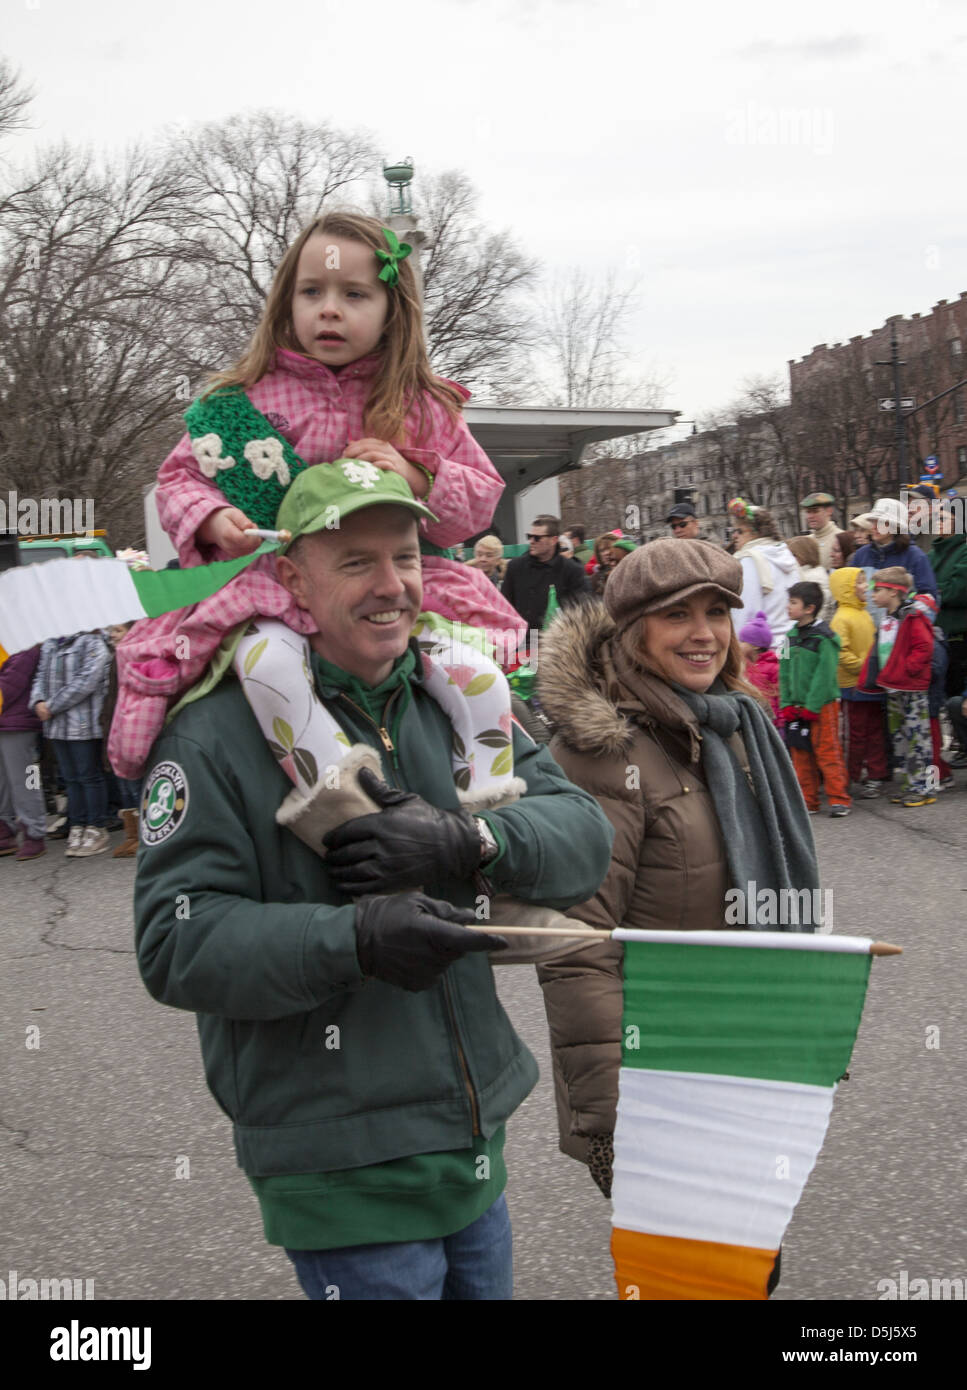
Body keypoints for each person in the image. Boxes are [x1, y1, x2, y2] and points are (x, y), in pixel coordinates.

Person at [133, 463, 614, 1301]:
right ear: (290, 578)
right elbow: (176, 940)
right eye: (356, 561)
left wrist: (470, 840)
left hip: (469, 1139)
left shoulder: (455, 701)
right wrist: (351, 940)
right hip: (336, 1159)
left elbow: (582, 839)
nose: (393, 585)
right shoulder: (211, 733)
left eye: (406, 556)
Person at [109, 212, 527, 787]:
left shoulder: (422, 406)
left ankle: (489, 802)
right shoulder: (242, 399)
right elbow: (179, 479)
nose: (329, 308)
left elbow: (480, 501)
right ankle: (337, 796)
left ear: (391, 309)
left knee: (479, 676)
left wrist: (417, 475)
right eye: (312, 291)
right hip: (272, 585)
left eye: (354, 293)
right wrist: (212, 518)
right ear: (287, 302)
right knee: (269, 666)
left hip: (396, 591)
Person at [533, 539, 819, 1230]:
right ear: (634, 632)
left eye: (717, 612)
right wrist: (612, 1120)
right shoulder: (596, 754)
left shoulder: (734, 724)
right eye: (677, 615)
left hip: (742, 1053)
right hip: (659, 1081)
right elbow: (576, 945)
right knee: (691, 1270)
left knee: (747, 1262)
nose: (704, 634)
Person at [30, 631, 113, 856]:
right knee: (70, 779)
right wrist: (38, 701)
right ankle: (77, 824)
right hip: (57, 726)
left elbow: (87, 680)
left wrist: (52, 705)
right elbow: (39, 676)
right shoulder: (49, 643)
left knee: (89, 776)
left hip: (83, 724)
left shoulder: (92, 641)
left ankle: (96, 827)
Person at [858, 567, 935, 807]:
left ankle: (925, 788)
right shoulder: (887, 619)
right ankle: (910, 785)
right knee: (901, 737)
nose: (872, 594)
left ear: (894, 592)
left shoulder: (912, 617)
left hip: (910, 687)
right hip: (893, 687)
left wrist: (907, 670)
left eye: (877, 590)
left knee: (918, 739)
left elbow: (924, 648)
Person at [779, 581, 851, 817]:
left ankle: (839, 799)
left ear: (809, 608)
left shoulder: (825, 638)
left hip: (822, 705)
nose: (788, 607)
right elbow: (784, 671)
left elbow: (824, 674)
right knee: (800, 755)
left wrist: (812, 705)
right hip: (797, 706)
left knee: (827, 752)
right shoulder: (789, 636)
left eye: (793, 602)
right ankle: (808, 800)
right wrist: (787, 703)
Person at [829, 567, 887, 798]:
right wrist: (865, 668)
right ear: (846, 589)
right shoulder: (841, 618)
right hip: (852, 685)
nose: (867, 587)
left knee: (874, 731)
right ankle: (851, 775)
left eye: (866, 582)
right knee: (855, 733)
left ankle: (875, 774)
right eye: (861, 583)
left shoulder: (864, 614)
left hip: (870, 683)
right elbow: (840, 653)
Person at [727, 498, 800, 648]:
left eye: (739, 531)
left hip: (761, 652)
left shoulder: (750, 559)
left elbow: (744, 610)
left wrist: (736, 651)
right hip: (788, 645)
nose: (734, 535)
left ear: (756, 532)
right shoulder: (787, 555)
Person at [500, 514, 590, 631]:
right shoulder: (515, 567)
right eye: (529, 536)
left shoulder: (572, 571)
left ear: (553, 540)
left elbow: (582, 610)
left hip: (557, 640)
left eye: (537, 538)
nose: (531, 541)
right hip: (524, 638)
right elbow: (504, 606)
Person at [0, 644, 47, 861]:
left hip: (18, 724)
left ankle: (34, 831)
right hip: (5, 721)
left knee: (27, 780)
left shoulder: (23, 643)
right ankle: (5, 828)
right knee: (3, 782)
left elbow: (11, 684)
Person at [850, 498, 938, 600]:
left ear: (896, 526)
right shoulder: (861, 555)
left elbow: (927, 597)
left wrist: (906, 606)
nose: (874, 527)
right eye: (873, 522)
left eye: (882, 523)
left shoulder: (915, 557)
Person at [928, 497, 967, 710]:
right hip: (934, 635)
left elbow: (958, 591)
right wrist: (938, 589)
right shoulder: (932, 553)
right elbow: (920, 588)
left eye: (943, 518)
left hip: (959, 637)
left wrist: (934, 590)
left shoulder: (964, 550)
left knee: (957, 696)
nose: (938, 522)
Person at [910, 593, 952, 789]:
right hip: (923, 699)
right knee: (927, 742)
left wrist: (913, 668)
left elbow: (936, 669)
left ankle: (935, 778)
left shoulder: (934, 642)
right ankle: (941, 773)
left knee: (932, 744)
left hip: (931, 702)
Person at [737, 611, 779, 721]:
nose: (738, 644)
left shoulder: (773, 668)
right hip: (751, 717)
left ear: (755, 646)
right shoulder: (743, 666)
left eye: (742, 641)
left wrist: (780, 723)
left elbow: (780, 696)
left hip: (770, 720)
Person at [787, 535, 834, 622]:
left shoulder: (813, 577)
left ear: (804, 555)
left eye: (793, 555)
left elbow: (819, 610)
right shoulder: (806, 573)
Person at [800, 491, 844, 569]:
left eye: (815, 511)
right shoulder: (806, 542)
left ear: (829, 511)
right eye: (808, 512)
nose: (810, 516)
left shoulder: (841, 538)